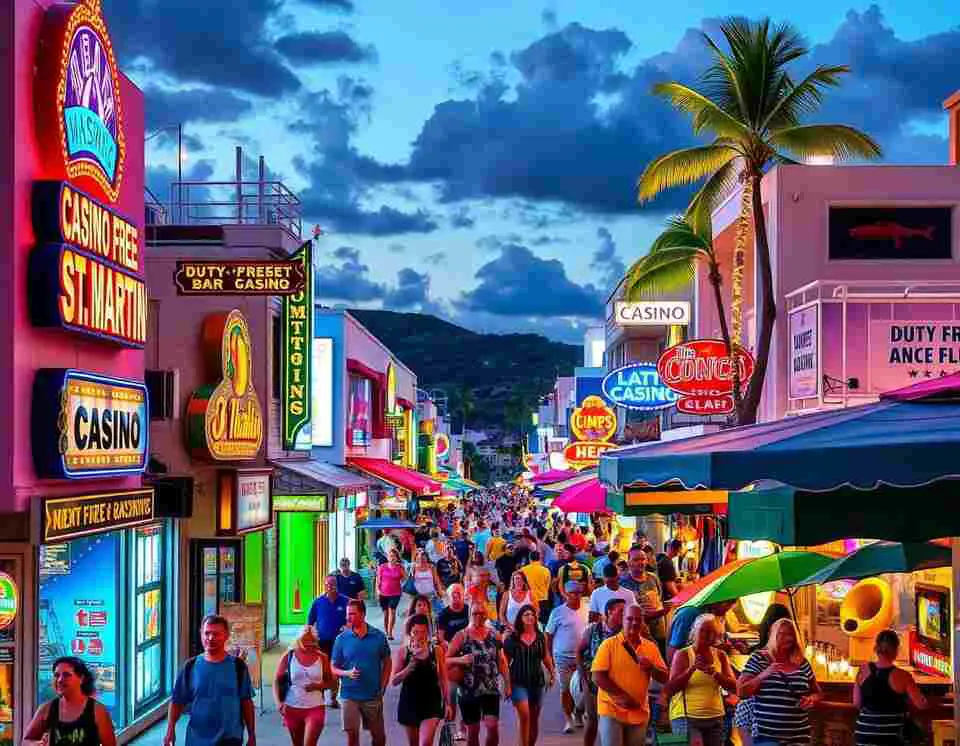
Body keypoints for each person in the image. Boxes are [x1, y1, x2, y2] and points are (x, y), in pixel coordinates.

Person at [163, 615, 256, 746]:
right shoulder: (190, 667)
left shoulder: (238, 667)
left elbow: (246, 702)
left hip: (230, 739)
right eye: (207, 633)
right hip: (197, 739)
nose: (211, 638)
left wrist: (252, 734)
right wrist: (170, 730)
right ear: (201, 633)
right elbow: (177, 701)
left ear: (226, 636)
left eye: (216, 634)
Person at [591, 605, 668, 746]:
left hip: (638, 712)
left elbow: (665, 678)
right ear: (623, 620)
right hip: (611, 710)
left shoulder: (650, 647)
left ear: (643, 621)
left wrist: (651, 668)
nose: (634, 622)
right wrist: (621, 696)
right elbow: (597, 676)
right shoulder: (608, 644)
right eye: (629, 619)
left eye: (638, 619)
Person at [737, 618, 821, 746]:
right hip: (767, 736)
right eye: (782, 634)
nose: (788, 638)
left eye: (791, 634)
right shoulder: (759, 658)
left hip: (799, 734)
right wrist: (764, 675)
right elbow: (741, 692)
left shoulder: (801, 662)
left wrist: (811, 699)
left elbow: (817, 692)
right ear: (773, 635)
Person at [665, 614, 737, 746]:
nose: (706, 635)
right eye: (703, 630)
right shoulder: (683, 654)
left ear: (716, 636)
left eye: (711, 632)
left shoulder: (720, 655)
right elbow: (671, 688)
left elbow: (734, 687)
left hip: (715, 717)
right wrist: (692, 669)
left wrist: (716, 674)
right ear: (694, 631)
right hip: (687, 718)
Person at [446, 605, 511, 746]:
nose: (478, 616)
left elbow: (501, 661)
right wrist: (461, 660)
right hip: (468, 690)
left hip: (490, 687)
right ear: (470, 615)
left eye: (482, 613)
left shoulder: (494, 635)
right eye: (475, 613)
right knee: (473, 730)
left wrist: (507, 684)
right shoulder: (461, 636)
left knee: (492, 727)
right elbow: (445, 660)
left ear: (486, 615)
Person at [331, 600, 392, 746]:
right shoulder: (341, 639)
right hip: (349, 695)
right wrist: (347, 673)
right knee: (352, 737)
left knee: (378, 737)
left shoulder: (378, 636)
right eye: (347, 614)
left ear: (363, 614)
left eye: (352, 614)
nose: (348, 618)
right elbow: (333, 667)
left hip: (372, 694)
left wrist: (383, 686)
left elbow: (388, 662)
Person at [854, 630, 927, 746]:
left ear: (876, 648)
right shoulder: (903, 676)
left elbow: (857, 703)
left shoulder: (862, 671)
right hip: (891, 736)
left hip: (864, 733)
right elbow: (921, 705)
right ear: (896, 650)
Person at [25, 656, 117, 746]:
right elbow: (26, 741)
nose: (60, 680)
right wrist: (38, 744)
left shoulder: (98, 710)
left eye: (66, 675)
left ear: (81, 678)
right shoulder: (46, 709)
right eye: (57, 675)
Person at [392, 614, 454, 746]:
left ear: (428, 632)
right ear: (410, 632)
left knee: (425, 743)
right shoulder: (403, 652)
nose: (419, 636)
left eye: (423, 632)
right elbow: (394, 681)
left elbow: (443, 678)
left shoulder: (436, 651)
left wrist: (448, 703)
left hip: (431, 703)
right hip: (410, 703)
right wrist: (409, 667)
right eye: (416, 632)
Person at [503, 604, 556, 746]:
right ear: (520, 618)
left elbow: (545, 657)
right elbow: (504, 664)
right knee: (525, 715)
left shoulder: (541, 637)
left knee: (534, 718)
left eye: (532, 614)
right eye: (526, 614)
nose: (530, 617)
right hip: (518, 681)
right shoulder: (512, 638)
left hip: (536, 682)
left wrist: (552, 672)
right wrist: (507, 685)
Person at [577, 598, 627, 746]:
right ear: (609, 612)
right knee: (592, 721)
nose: (624, 615)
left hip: (617, 684)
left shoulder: (626, 632)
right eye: (621, 612)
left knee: (618, 721)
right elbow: (579, 652)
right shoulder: (593, 630)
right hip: (594, 684)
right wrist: (583, 678)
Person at [274, 625, 333, 746]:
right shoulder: (289, 655)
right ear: (298, 640)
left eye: (311, 640)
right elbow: (276, 679)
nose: (308, 643)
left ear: (316, 641)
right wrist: (279, 704)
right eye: (305, 640)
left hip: (315, 707)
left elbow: (331, 682)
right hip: (292, 707)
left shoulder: (323, 657)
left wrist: (317, 686)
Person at [546, 580, 590, 733]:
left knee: (583, 689)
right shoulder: (557, 612)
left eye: (578, 593)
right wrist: (549, 657)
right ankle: (569, 719)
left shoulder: (587, 609)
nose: (575, 596)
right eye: (572, 593)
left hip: (583, 658)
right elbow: (549, 635)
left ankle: (578, 713)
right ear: (566, 594)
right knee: (565, 689)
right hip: (563, 657)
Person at [307, 573, 349, 707]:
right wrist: (311, 637)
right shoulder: (318, 602)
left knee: (335, 669)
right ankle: (320, 697)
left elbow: (352, 620)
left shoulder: (345, 601)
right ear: (324, 586)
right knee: (321, 670)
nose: (331, 587)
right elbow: (309, 623)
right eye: (328, 584)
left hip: (339, 643)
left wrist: (346, 626)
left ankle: (333, 697)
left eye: (334, 584)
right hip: (322, 642)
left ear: (337, 585)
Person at [620, 545, 667, 654]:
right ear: (629, 562)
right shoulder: (623, 582)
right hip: (636, 632)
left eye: (643, 559)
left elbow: (659, 598)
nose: (640, 562)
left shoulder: (653, 578)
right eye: (636, 559)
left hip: (658, 631)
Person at [375, 548, 405, 640]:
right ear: (388, 557)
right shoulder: (382, 567)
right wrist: (377, 590)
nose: (392, 558)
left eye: (394, 556)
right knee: (386, 614)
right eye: (390, 556)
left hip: (396, 593)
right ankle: (386, 631)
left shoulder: (400, 567)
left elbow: (405, 578)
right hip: (383, 593)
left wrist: (403, 570)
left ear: (397, 558)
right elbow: (377, 580)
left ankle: (390, 633)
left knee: (392, 611)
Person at [411, 548, 446, 614]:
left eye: (423, 559)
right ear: (417, 559)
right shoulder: (414, 567)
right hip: (419, 596)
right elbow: (411, 581)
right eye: (420, 559)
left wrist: (440, 591)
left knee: (440, 613)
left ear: (427, 558)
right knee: (421, 616)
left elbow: (436, 580)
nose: (422, 561)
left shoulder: (431, 567)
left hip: (431, 595)